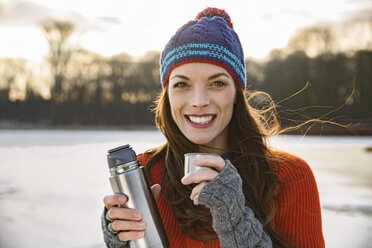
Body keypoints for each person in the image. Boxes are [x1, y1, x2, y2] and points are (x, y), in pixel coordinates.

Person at [101, 7, 325, 248]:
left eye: (217, 83)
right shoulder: (145, 173)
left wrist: (234, 220)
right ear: (167, 96)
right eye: (182, 84)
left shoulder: (289, 176)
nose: (199, 101)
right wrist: (118, 240)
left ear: (237, 94)